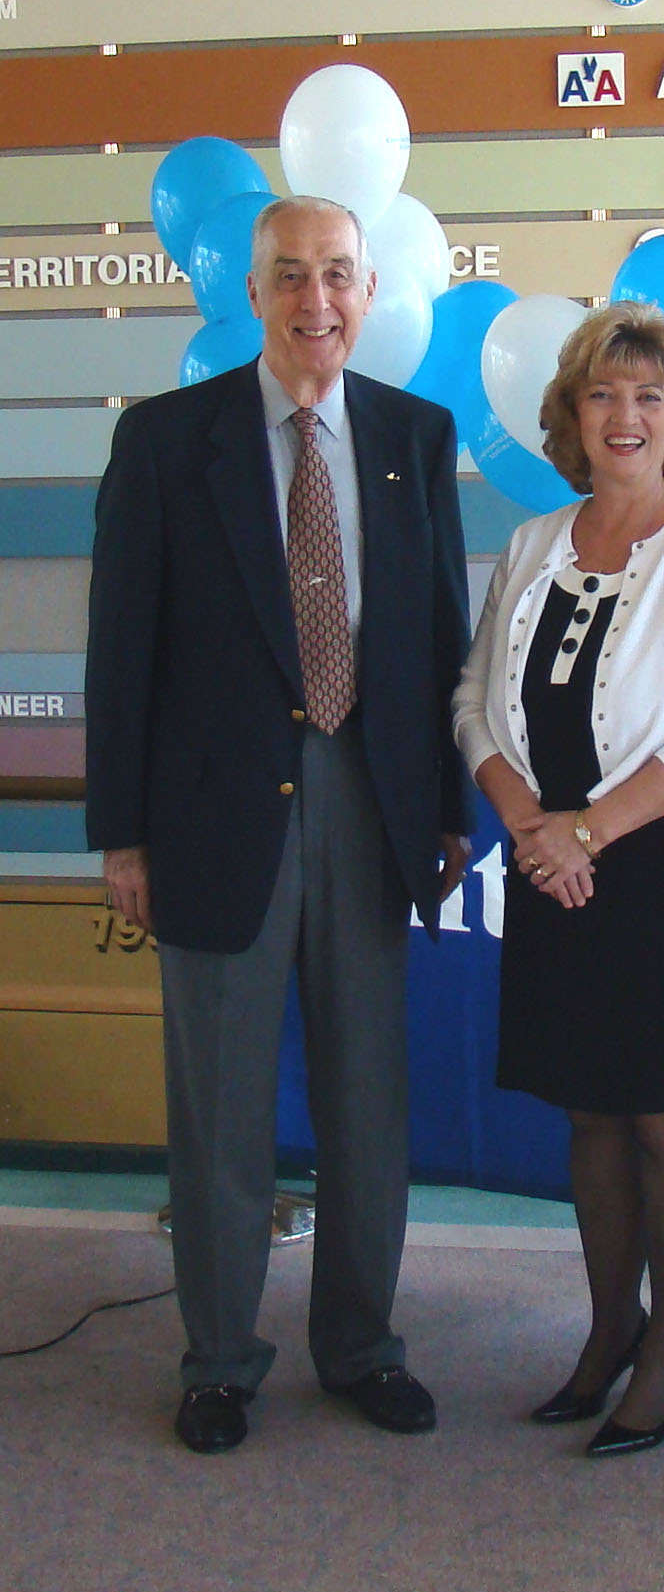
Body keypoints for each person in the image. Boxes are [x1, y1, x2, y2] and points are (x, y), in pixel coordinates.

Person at [85, 195, 473, 1454]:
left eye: (340, 277)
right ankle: (219, 1359)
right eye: (292, 277)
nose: (318, 301)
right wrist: (122, 835)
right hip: (209, 825)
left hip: (372, 807)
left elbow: (437, 645)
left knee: (371, 1103)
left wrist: (448, 809)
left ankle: (361, 1346)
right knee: (219, 1113)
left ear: (369, 293)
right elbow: (121, 651)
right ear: (251, 294)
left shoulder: (418, 434)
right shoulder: (164, 442)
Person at [453, 303, 664, 1457]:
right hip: (549, 862)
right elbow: (473, 700)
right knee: (589, 1112)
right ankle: (605, 1330)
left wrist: (584, 836)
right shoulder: (533, 545)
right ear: (570, 415)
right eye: (603, 394)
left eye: (650, 397)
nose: (625, 416)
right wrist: (528, 824)